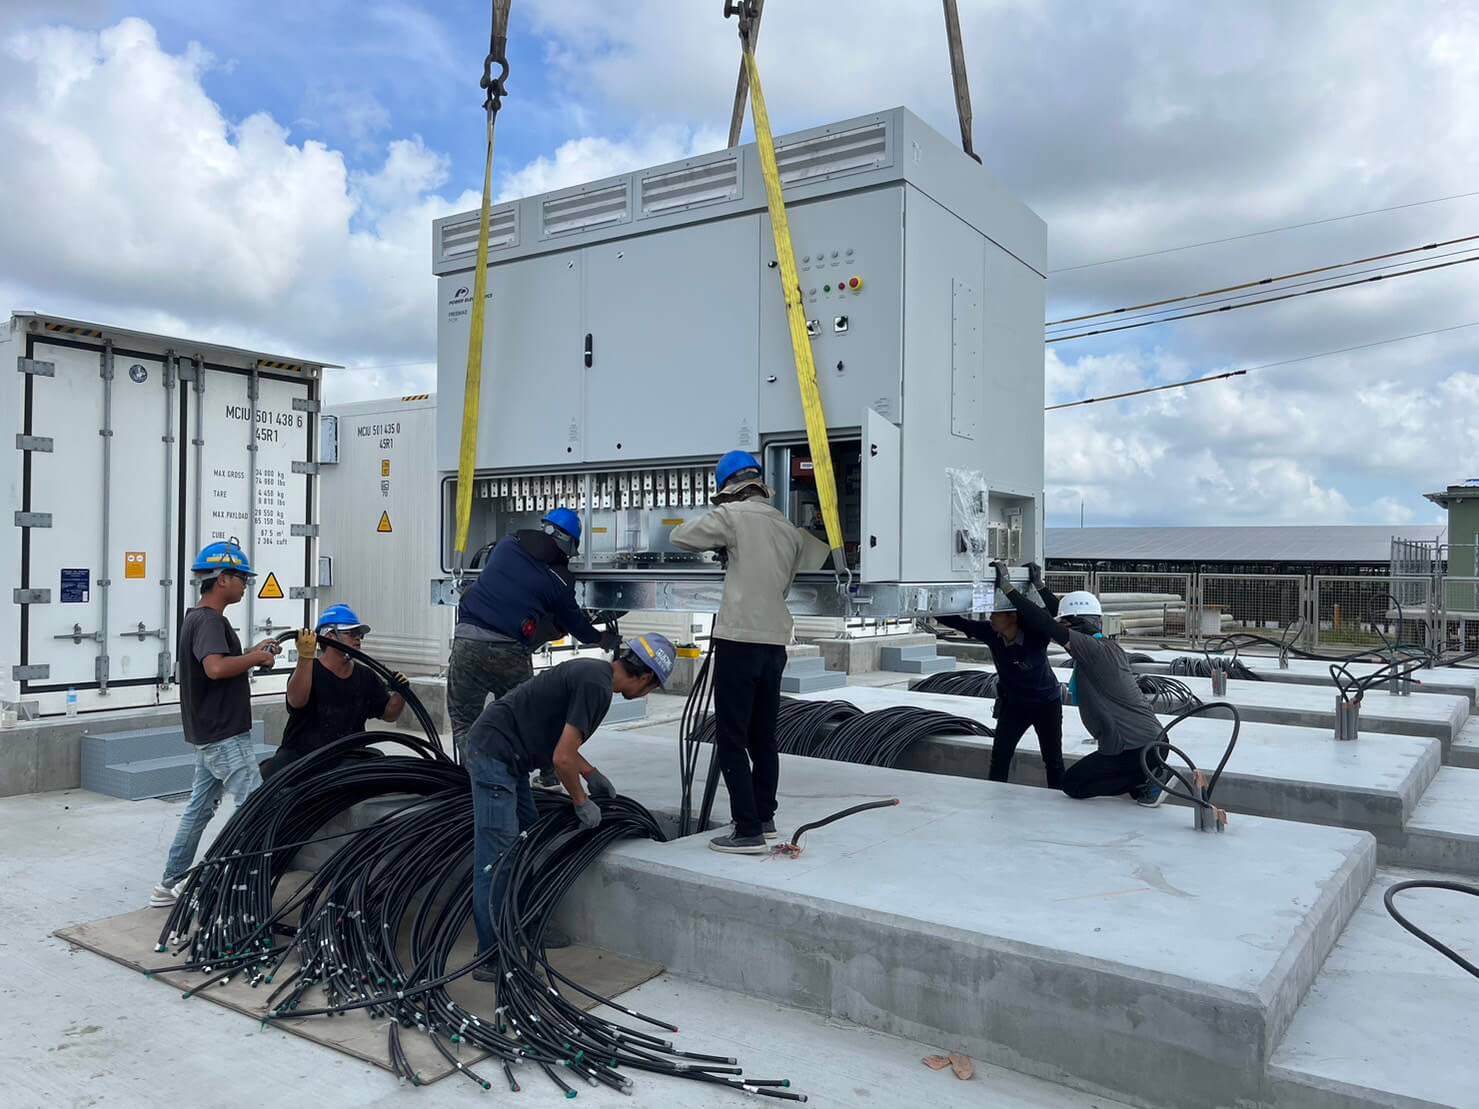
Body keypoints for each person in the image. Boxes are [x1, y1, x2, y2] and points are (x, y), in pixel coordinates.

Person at [463, 634, 674, 976]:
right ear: (646, 676)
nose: (648, 694)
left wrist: (590, 773)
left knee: (528, 839)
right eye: (653, 687)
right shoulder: (596, 686)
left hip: (510, 756)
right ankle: (490, 956)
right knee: (499, 857)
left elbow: (563, 744)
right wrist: (581, 800)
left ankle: (525, 923)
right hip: (493, 754)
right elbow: (562, 759)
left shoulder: (594, 675)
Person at [670, 450, 829, 855]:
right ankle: (764, 817)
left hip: (738, 640)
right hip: (774, 643)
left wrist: (725, 538)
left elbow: (680, 536)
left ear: (729, 489)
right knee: (763, 737)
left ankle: (746, 830)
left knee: (730, 737)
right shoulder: (788, 528)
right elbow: (800, 571)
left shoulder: (732, 516)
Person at [150, 539, 281, 907]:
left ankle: (168, 885)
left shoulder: (196, 618)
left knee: (199, 810)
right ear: (222, 578)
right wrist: (256, 659)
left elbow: (220, 662)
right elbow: (216, 668)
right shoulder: (210, 621)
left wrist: (254, 652)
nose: (246, 585)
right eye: (242, 578)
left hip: (209, 732)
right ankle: (199, 881)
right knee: (254, 805)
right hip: (224, 734)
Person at [448, 507, 621, 786]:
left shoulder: (506, 545)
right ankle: (548, 776)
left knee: (464, 722)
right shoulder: (560, 580)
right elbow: (575, 624)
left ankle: (478, 782)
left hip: (466, 644)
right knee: (529, 717)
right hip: (509, 652)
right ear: (568, 543)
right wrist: (601, 638)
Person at [994, 560, 1168, 805]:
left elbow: (1047, 624)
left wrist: (1008, 588)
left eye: (1065, 624)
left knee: (1073, 784)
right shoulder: (1099, 644)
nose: (1062, 627)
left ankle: (1149, 777)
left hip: (1136, 748)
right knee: (1080, 780)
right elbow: (1059, 617)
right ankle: (1143, 784)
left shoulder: (1093, 650)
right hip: (1149, 743)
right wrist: (1040, 586)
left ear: (1075, 624)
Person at [936, 561, 1065, 788]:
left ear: (1013, 617)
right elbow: (958, 622)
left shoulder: (1036, 635)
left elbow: (1056, 617)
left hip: (1047, 704)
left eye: (997, 613)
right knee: (1001, 756)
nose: (991, 617)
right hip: (1015, 705)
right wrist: (931, 604)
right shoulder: (991, 633)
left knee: (1053, 759)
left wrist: (1039, 585)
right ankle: (996, 797)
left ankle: (1058, 797)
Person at [263, 604, 408, 778]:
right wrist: (305, 658)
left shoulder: (365, 676)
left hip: (349, 758)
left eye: (359, 634)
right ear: (330, 636)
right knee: (275, 773)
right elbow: (296, 701)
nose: (358, 638)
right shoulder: (309, 670)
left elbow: (389, 714)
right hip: (303, 758)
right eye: (351, 633)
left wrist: (401, 692)